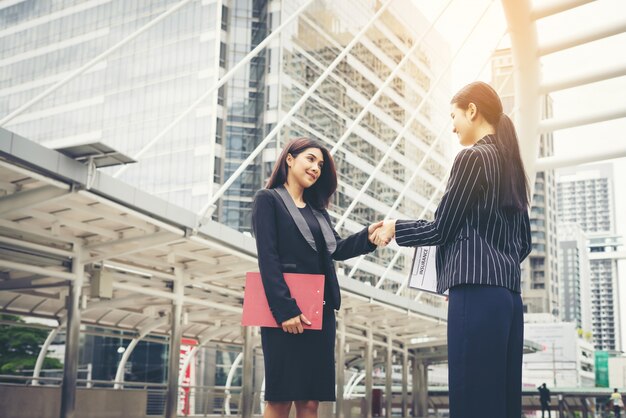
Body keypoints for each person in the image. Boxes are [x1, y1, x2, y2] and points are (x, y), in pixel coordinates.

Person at [371, 81, 532, 418]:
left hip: (475, 294)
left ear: (472, 110)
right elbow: (524, 244)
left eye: (454, 116)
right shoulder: (513, 168)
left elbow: (442, 228)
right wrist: (482, 268)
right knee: (501, 403)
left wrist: (395, 227)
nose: (453, 125)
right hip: (509, 299)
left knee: (471, 398)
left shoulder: (472, 158)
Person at [252, 137, 383, 418]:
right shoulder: (268, 200)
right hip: (285, 315)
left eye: (320, 164)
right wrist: (285, 310)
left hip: (319, 314)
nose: (316, 168)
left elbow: (337, 249)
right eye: (310, 159)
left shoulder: (318, 212)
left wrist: (369, 236)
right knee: (280, 399)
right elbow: (268, 258)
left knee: (310, 402)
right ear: (290, 159)